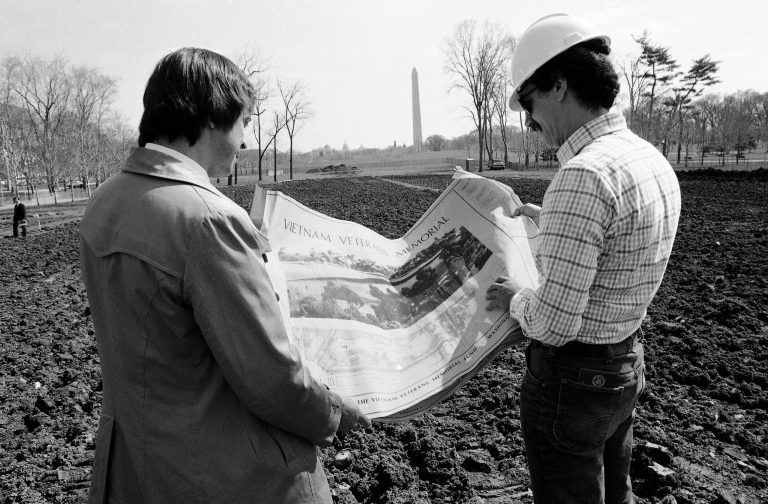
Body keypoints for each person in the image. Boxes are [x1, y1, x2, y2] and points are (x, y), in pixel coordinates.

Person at [79, 47, 370, 504]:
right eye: (245, 123)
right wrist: (333, 411)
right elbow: (273, 381)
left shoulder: (105, 202)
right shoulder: (209, 220)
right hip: (229, 477)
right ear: (213, 116)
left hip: (138, 470)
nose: (246, 142)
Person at [484, 14, 681, 504]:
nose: (529, 120)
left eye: (528, 103)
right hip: (623, 365)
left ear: (558, 85)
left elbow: (553, 323)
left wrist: (516, 299)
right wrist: (550, 217)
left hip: (572, 382)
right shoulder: (647, 157)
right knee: (618, 493)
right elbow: (614, 241)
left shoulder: (582, 175)